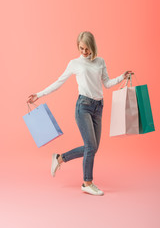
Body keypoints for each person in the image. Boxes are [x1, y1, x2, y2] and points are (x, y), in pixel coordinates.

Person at [27, 31, 133, 196]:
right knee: (90, 146)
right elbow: (58, 82)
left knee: (93, 147)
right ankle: (87, 182)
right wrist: (39, 95)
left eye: (87, 49)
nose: (84, 52)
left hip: (99, 106)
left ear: (93, 47)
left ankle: (59, 158)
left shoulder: (100, 61)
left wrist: (122, 77)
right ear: (78, 47)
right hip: (83, 106)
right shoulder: (74, 63)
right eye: (81, 48)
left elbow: (107, 83)